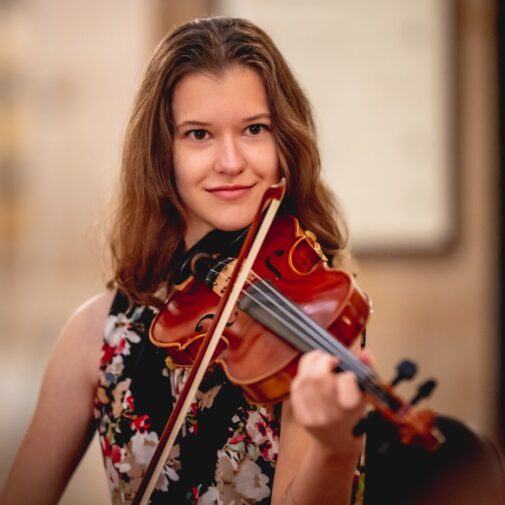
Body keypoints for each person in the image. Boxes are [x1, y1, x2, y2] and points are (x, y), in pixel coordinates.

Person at [1, 16, 368, 505]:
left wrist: (337, 446)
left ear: (284, 143)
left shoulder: (315, 309)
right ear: (161, 153)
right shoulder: (95, 335)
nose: (232, 161)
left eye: (254, 129)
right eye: (199, 135)